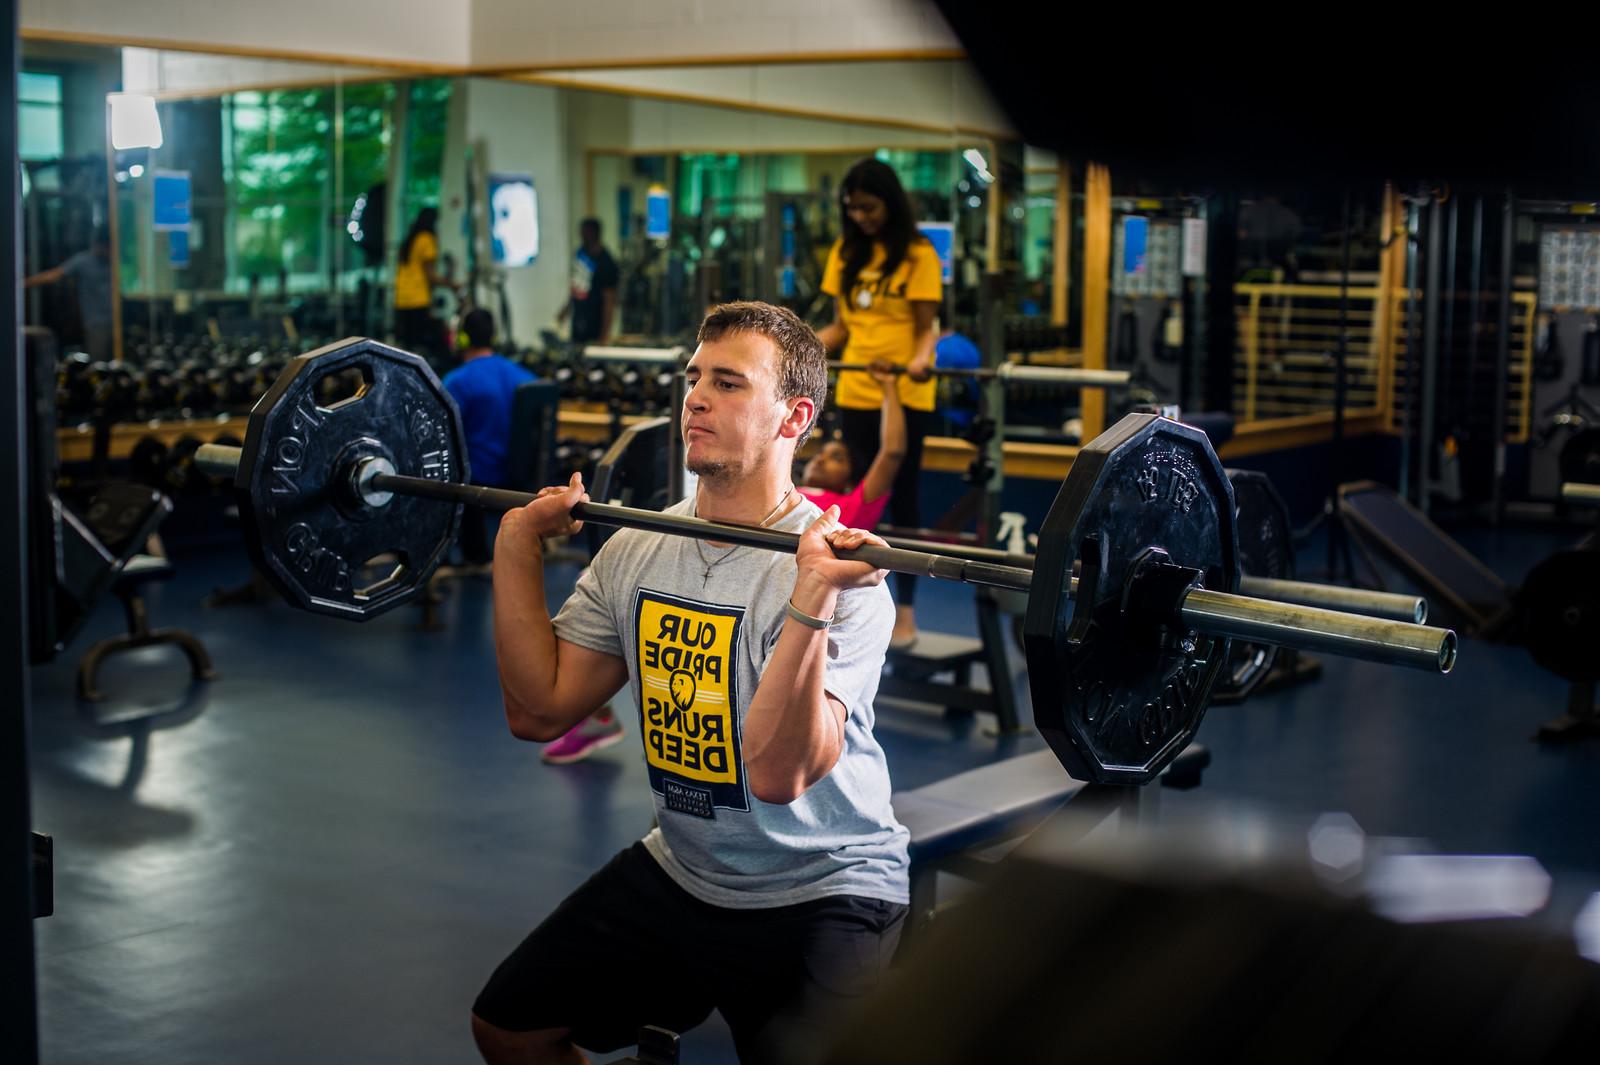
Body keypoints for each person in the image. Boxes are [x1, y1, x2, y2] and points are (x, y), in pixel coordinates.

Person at [472, 301, 907, 1065]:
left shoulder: (848, 578)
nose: (696, 397)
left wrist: (812, 592)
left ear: (793, 416)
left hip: (823, 883)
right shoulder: (640, 546)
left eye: (730, 383)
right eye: (694, 377)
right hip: (686, 867)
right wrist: (515, 543)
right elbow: (539, 711)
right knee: (510, 1027)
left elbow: (776, 773)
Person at [816, 158, 943, 650]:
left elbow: (926, 327)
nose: (862, 216)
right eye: (854, 208)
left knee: (902, 498)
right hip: (856, 388)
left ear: (890, 202)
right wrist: (795, 345)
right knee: (858, 504)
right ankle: (857, 604)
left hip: (905, 392)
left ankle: (905, 610)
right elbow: (842, 328)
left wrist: (918, 359)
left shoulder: (917, 253)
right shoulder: (845, 253)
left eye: (869, 207)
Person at [441, 308, 537, 565]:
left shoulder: (457, 381)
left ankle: (456, 554)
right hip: (520, 477)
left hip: (480, 478)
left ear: (462, 339)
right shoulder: (525, 377)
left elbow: (442, 436)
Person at [797, 362, 905, 532]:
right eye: (820, 453)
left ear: (850, 481)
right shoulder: (784, 491)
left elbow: (892, 452)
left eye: (836, 458)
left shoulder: (853, 505)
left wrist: (888, 384)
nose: (820, 459)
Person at [26, 227, 113, 360]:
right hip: (96, 323)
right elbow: (54, 275)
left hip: (119, 321)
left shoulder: (118, 262)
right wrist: (23, 283)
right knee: (99, 362)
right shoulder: (83, 261)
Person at [394, 207, 452, 364]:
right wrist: (452, 284)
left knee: (408, 347)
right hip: (418, 299)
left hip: (401, 298)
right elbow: (430, 276)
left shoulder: (409, 240)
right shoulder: (426, 239)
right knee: (437, 346)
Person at [557, 217, 619, 345]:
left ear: (594, 234)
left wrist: (604, 336)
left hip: (595, 324)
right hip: (579, 323)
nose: (582, 237)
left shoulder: (606, 262)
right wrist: (565, 310)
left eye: (585, 233)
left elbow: (609, 300)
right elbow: (577, 287)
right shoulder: (581, 255)